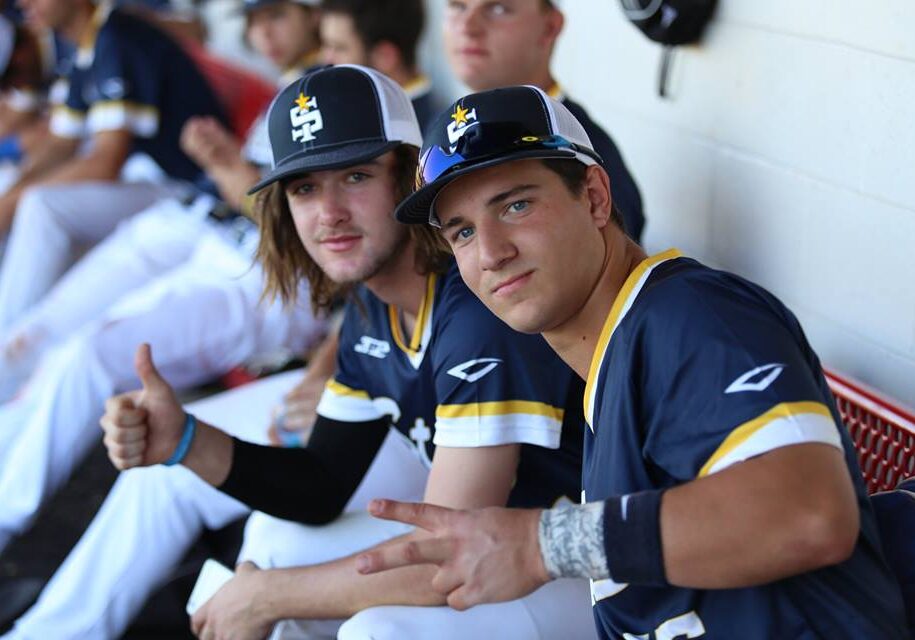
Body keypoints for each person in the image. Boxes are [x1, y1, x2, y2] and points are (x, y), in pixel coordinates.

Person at [355, 85, 911, 639]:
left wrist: (542, 544)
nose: (492, 253)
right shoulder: (610, 360)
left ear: (595, 197)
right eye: (464, 232)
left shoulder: (688, 315)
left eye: (516, 205)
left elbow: (809, 512)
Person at [96, 65, 595, 640]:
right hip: (497, 541)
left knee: (376, 630)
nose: (328, 213)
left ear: (410, 181)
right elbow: (321, 484)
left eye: (355, 176)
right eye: (305, 187)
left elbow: (449, 554)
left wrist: (267, 596)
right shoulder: (371, 309)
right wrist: (183, 438)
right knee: (277, 544)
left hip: (583, 568)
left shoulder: (477, 307)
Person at [0, 0, 226, 328]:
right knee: (17, 188)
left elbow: (104, 162)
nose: (23, 3)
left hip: (186, 188)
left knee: (42, 206)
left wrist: (12, 202)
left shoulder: (119, 35)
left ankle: (6, 334)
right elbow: (61, 143)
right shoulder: (79, 42)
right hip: (142, 184)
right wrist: (10, 196)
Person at [443, 0, 644, 242]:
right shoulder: (447, 136)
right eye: (457, 6)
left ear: (550, 27)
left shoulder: (583, 153)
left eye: (498, 9)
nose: (467, 26)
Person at [319, 0, 442, 131]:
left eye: (339, 48)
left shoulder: (433, 136)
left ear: (385, 57)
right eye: (325, 45)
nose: (325, 60)